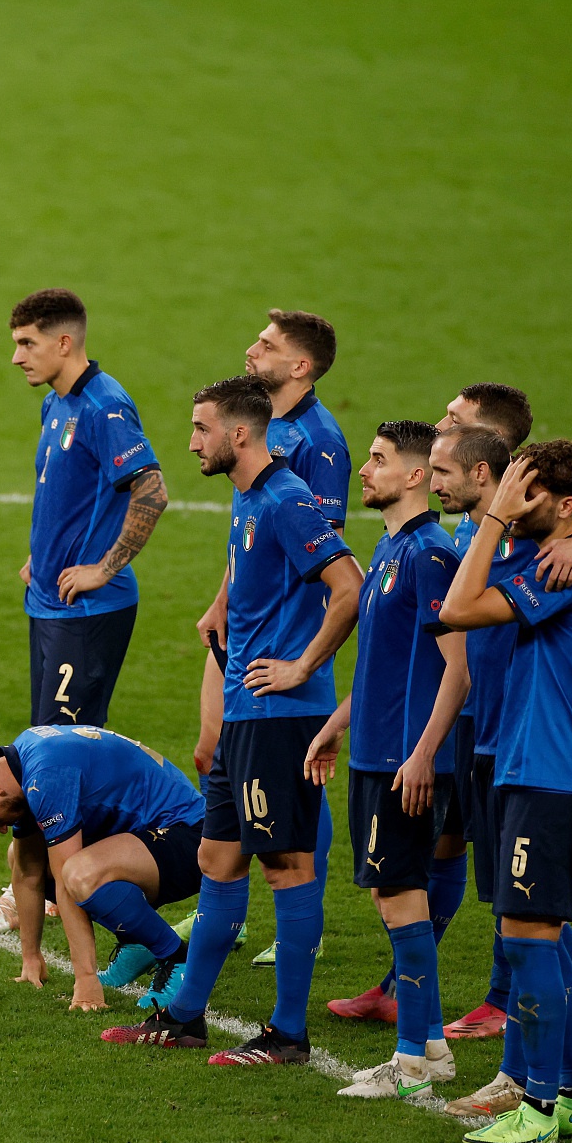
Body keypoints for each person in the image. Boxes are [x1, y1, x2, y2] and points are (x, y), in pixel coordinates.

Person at [103, 375, 359, 1064]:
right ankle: (187, 1017)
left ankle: (289, 1033)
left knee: (287, 867)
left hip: (282, 717)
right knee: (218, 861)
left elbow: (349, 587)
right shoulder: (249, 498)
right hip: (246, 717)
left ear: (239, 433)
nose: (191, 443)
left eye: (200, 429)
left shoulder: (287, 499)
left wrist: (301, 668)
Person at [428, 424, 572, 1118]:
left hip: (547, 772)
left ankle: (546, 1098)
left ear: (567, 503)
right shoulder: (541, 550)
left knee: (528, 934)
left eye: (532, 490)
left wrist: (500, 517)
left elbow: (457, 611)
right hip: (516, 760)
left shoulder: (560, 568)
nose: (518, 500)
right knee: (532, 928)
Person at [0, 287, 168, 941]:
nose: (16, 356)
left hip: (90, 609)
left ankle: (55, 893)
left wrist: (103, 567)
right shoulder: (57, 402)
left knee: (53, 764)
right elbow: (70, 494)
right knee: (43, 748)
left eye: (26, 343)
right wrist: (40, 554)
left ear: (64, 342)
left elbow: (152, 489)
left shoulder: (106, 404)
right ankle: (62, 888)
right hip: (50, 603)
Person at [302, 421, 467, 1100]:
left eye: (376, 461)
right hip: (377, 749)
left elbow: (459, 668)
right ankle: (426, 1045)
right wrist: (335, 724)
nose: (362, 471)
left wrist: (425, 753)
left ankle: (414, 1060)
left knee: (400, 896)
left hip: (405, 759)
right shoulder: (393, 546)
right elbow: (380, 661)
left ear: (415, 476)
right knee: (391, 893)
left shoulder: (430, 555)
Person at [193, 311, 352, 972]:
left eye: (268, 344)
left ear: (300, 367)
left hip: (281, 655)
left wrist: (300, 661)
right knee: (209, 757)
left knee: (289, 812)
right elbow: (253, 535)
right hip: (247, 630)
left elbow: (327, 561)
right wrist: (224, 599)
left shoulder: (316, 443)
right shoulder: (254, 452)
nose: (252, 347)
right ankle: (222, 920)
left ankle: (295, 921)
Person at [0, 726, 204, 1011]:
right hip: (149, 836)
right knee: (21, 855)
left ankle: (176, 957)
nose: (2, 829)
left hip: (189, 837)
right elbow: (27, 873)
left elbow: (66, 881)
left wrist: (85, 979)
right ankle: (136, 943)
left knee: (79, 873)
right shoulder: (24, 764)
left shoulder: (47, 774)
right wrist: (30, 956)